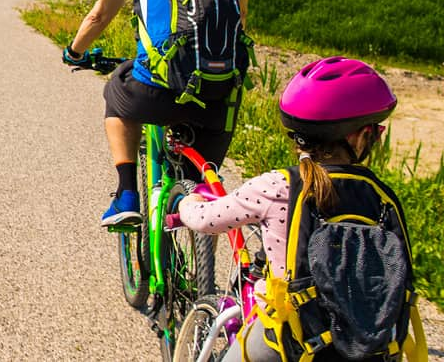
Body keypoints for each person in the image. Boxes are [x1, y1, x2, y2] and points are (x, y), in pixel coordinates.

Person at [177, 57, 426, 362]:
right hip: (371, 345)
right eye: (377, 130)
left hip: (293, 341)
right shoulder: (382, 197)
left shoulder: (279, 187)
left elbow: (205, 220)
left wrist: (186, 203)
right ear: (359, 136)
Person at [62, 0, 252, 227]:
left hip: (155, 91)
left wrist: (74, 52)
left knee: (116, 91)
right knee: (199, 185)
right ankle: (194, 229)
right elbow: (241, 22)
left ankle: (126, 194)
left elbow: (98, 17)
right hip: (219, 95)